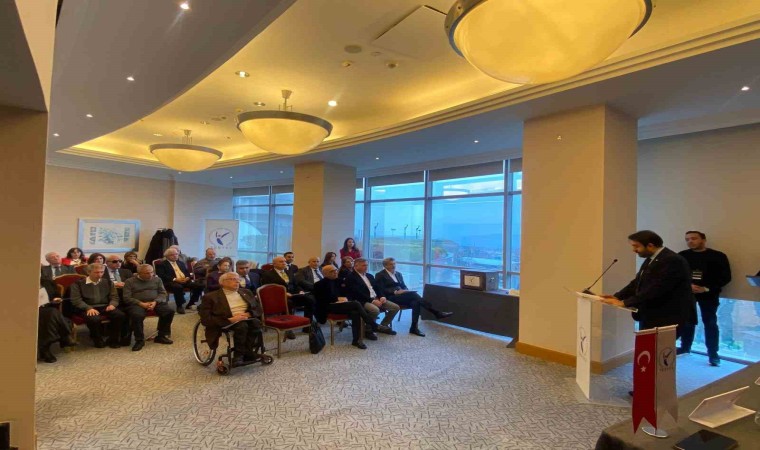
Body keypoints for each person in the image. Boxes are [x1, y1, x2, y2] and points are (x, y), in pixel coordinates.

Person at [600, 230, 696, 334]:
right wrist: (617, 297)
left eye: (636, 246)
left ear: (650, 245)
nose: (634, 250)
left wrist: (625, 302)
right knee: (647, 343)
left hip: (666, 316)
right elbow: (637, 282)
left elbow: (656, 288)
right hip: (650, 314)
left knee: (656, 344)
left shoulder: (671, 260)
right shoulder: (653, 258)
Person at [677, 231, 732, 366]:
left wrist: (706, 288)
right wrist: (688, 286)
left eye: (694, 238)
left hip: (709, 294)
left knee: (710, 322)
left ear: (703, 239)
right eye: (687, 239)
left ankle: (713, 354)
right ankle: (685, 347)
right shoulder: (682, 256)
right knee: (687, 321)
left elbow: (725, 277)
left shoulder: (718, 256)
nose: (690, 241)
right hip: (687, 294)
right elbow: (675, 275)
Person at [375, 257, 453, 337]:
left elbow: (403, 286)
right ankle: (436, 313)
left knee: (415, 302)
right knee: (414, 296)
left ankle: (414, 328)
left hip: (402, 295)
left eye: (394, 264)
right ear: (385, 266)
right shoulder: (380, 275)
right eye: (391, 264)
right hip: (390, 297)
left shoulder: (398, 274)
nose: (394, 266)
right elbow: (380, 290)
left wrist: (405, 291)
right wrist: (395, 292)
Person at [199, 272, 264, 365]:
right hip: (226, 321)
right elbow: (205, 319)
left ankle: (248, 351)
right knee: (242, 326)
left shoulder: (246, 292)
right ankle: (238, 355)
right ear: (222, 282)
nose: (237, 281)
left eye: (238, 279)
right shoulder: (210, 297)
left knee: (256, 323)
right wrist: (231, 319)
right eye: (233, 279)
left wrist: (249, 314)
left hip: (246, 318)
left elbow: (258, 308)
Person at [313, 265, 380, 349]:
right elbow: (321, 300)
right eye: (332, 271)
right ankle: (372, 324)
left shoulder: (340, 281)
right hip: (328, 306)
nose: (335, 272)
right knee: (356, 304)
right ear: (325, 273)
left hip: (343, 305)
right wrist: (336, 299)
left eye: (336, 270)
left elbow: (349, 293)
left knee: (356, 313)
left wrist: (346, 298)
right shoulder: (318, 285)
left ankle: (356, 340)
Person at [69, 263, 126, 348]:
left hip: (105, 306)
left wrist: (112, 305)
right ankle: (97, 339)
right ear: (88, 272)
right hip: (86, 307)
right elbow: (76, 300)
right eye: (96, 272)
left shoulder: (108, 282)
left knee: (119, 315)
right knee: (94, 319)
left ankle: (113, 339)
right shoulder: (78, 284)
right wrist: (88, 308)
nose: (99, 275)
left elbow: (114, 297)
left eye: (101, 272)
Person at [121, 264, 174, 351]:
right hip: (138, 303)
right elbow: (126, 298)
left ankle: (161, 336)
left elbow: (163, 293)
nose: (150, 275)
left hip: (155, 302)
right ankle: (139, 340)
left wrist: (155, 302)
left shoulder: (157, 279)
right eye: (147, 273)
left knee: (169, 311)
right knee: (137, 315)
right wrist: (141, 303)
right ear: (139, 273)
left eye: (151, 272)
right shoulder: (130, 281)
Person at [260, 256, 316, 337]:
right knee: (289, 303)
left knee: (310, 299)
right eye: (281, 262)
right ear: (274, 264)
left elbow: (296, 285)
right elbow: (268, 288)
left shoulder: (289, 272)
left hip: (293, 295)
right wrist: (283, 293)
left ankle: (308, 326)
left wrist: (300, 291)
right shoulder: (267, 274)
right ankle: (289, 330)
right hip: (278, 297)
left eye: (285, 261)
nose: (284, 263)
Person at [344, 258, 398, 336]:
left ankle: (383, 326)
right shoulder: (350, 277)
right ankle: (368, 330)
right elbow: (357, 293)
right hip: (361, 300)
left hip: (375, 298)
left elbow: (377, 288)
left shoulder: (369, 276)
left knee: (395, 307)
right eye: (363, 265)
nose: (366, 267)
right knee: (375, 310)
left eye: (366, 265)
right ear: (356, 266)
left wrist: (381, 296)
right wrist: (372, 301)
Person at [155, 247, 204, 314]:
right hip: (171, 282)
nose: (175, 256)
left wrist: (187, 278)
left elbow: (187, 272)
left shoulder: (180, 263)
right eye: (172, 255)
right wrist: (175, 279)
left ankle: (191, 303)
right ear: (167, 256)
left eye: (176, 254)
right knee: (178, 287)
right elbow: (162, 275)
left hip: (184, 280)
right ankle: (179, 306)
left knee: (199, 285)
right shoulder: (162, 264)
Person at [38, 278, 75, 363]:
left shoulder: (47, 281)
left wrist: (56, 299)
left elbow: (56, 295)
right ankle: (66, 336)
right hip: (30, 311)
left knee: (52, 314)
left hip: (47, 308)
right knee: (53, 313)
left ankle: (45, 348)